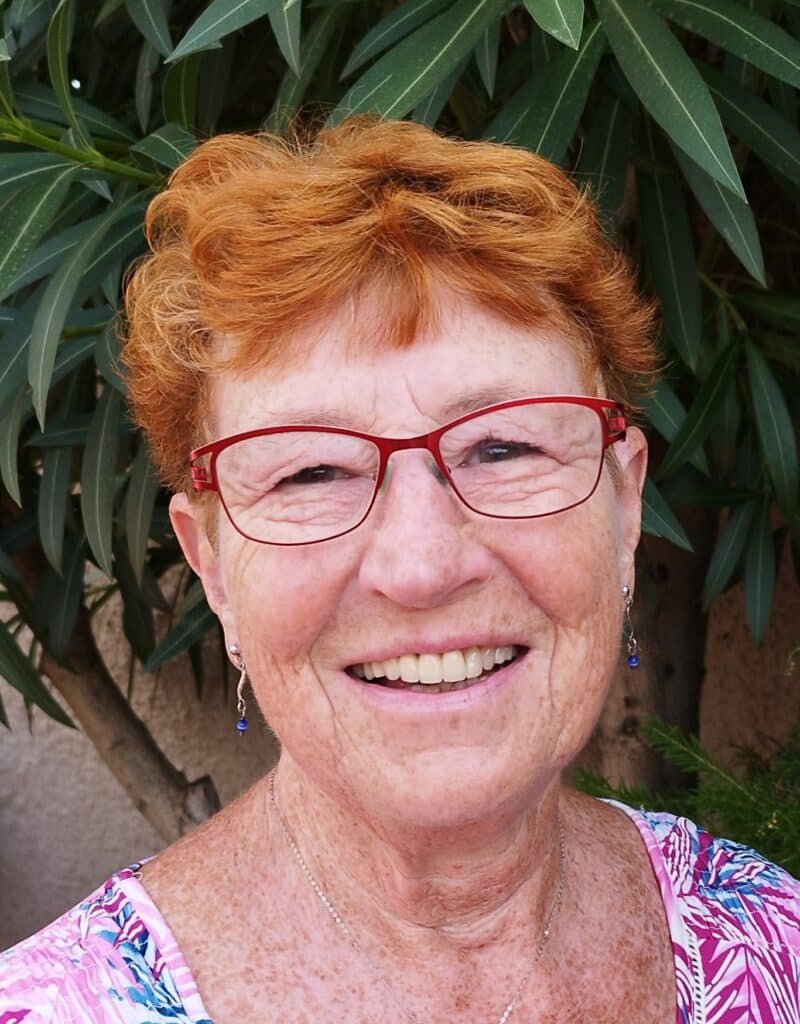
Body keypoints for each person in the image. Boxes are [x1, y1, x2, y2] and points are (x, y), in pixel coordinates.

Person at [1, 117, 798, 1024]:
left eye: (502, 447)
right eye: (311, 472)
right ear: (212, 564)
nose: (422, 568)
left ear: (623, 510)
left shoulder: (767, 939)